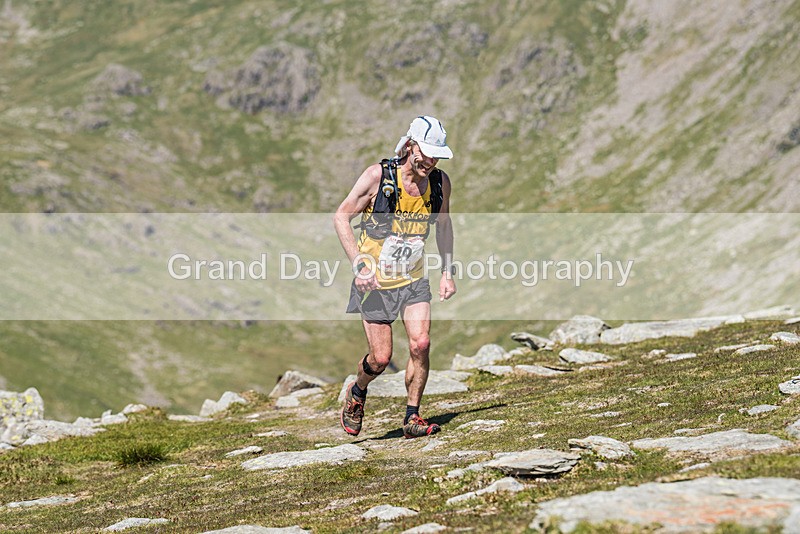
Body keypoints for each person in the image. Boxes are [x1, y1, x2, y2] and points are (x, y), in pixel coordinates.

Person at [333, 115, 457, 439]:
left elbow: (444, 225)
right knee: (380, 358)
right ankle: (357, 390)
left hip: (413, 279)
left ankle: (412, 416)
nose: (431, 162)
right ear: (410, 145)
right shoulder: (378, 177)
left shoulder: (440, 184)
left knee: (421, 343)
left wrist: (447, 272)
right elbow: (341, 217)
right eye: (426, 153)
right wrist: (359, 265)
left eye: (437, 156)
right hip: (374, 283)